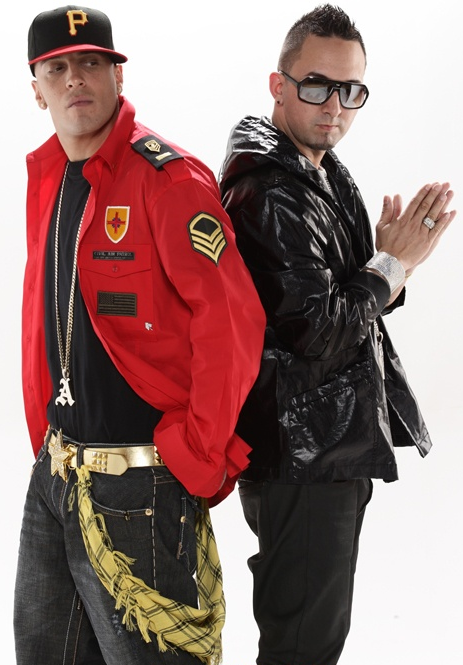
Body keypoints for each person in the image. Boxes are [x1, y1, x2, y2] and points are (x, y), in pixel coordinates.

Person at [14, 6, 266, 665]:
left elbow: (233, 324)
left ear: (118, 77)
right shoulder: (48, 177)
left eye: (91, 63)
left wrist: (195, 450)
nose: (75, 78)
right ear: (36, 89)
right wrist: (44, 445)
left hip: (141, 485)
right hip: (56, 476)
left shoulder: (168, 178)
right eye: (57, 69)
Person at [219, 4, 456, 665]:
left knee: (312, 641)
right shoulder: (274, 192)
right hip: (302, 452)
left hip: (323, 447)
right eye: (317, 85)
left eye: (351, 90)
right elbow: (319, 331)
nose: (335, 107)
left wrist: (386, 268)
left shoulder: (319, 169)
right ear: (278, 85)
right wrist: (390, 266)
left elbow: (343, 306)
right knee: (302, 648)